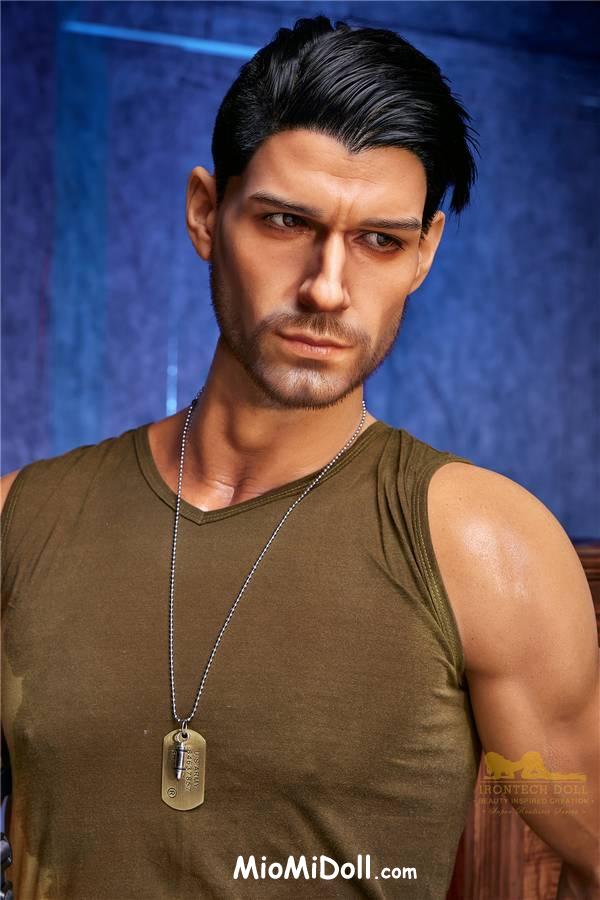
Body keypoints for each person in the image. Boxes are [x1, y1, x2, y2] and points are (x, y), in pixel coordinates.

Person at [1, 14, 598, 900]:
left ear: (425, 253)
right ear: (206, 214)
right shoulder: (23, 519)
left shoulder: (485, 548)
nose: (327, 287)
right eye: (286, 222)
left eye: (380, 241)